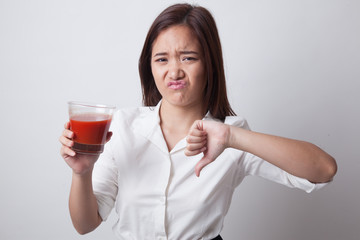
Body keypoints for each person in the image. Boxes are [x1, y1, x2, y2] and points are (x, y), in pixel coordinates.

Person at [59, 3, 337, 240]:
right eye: (162, 59)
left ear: (209, 64)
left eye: (188, 57)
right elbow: (85, 224)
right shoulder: (123, 125)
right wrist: (82, 172)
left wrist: (232, 137)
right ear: (149, 67)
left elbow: (323, 169)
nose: (174, 71)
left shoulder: (232, 134)